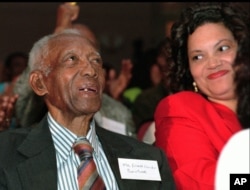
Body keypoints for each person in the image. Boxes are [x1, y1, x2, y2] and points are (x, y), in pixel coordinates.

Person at [0, 29, 175, 190]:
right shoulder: (6, 154)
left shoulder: (147, 158)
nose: (91, 70)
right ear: (40, 83)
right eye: (71, 59)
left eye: (96, 61)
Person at [154, 2, 249, 190]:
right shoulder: (181, 108)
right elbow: (203, 183)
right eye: (198, 56)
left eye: (222, 48)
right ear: (189, 70)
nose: (212, 63)